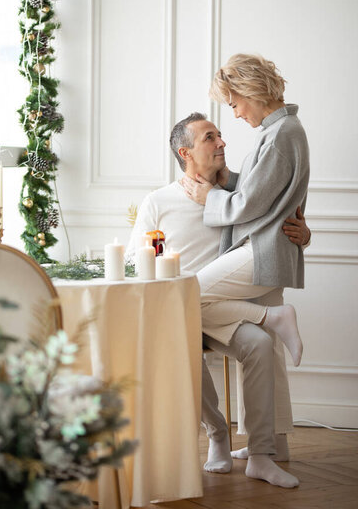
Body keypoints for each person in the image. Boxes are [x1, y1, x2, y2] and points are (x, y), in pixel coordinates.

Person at [127, 117, 310, 486]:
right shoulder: (158, 201)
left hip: (223, 309)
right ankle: (217, 435)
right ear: (186, 152)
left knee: (259, 343)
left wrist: (304, 235)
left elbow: (278, 232)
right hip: (179, 311)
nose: (222, 142)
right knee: (181, 336)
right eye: (209, 138)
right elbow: (134, 260)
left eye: (220, 135)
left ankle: (261, 453)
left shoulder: (238, 200)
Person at [181, 54, 310, 487]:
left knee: (185, 296)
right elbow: (258, 188)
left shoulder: (279, 135)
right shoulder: (279, 131)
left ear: (252, 93)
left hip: (263, 250)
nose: (234, 113)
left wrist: (208, 200)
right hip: (268, 248)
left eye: (234, 103)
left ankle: (272, 317)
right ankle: (267, 448)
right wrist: (219, 185)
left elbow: (249, 204)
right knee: (267, 352)